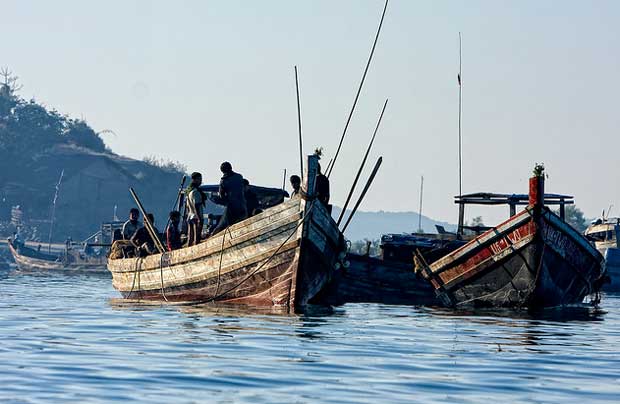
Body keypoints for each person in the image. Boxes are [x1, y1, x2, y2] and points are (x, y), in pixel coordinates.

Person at [210, 162, 247, 235]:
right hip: (242, 205)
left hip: (232, 207)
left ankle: (213, 235)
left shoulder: (223, 181)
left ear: (223, 171)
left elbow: (221, 196)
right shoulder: (239, 177)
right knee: (241, 222)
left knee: (224, 225)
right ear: (231, 168)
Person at [186, 172, 207, 246]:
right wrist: (199, 218)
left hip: (190, 216)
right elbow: (197, 205)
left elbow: (188, 206)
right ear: (194, 180)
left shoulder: (189, 191)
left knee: (190, 238)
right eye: (199, 179)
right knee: (196, 238)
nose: (201, 181)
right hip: (196, 217)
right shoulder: (196, 192)